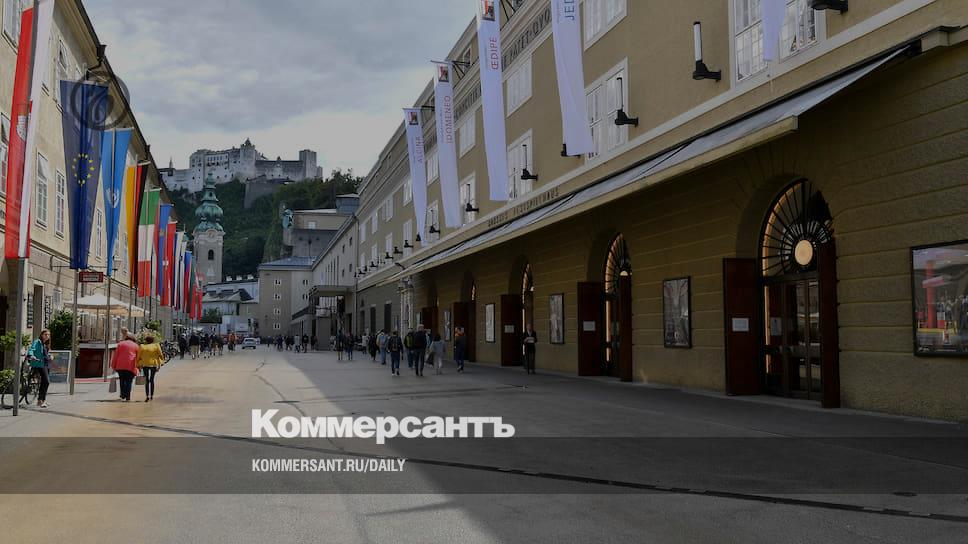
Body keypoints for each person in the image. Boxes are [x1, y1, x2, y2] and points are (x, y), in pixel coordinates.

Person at [26, 330, 52, 408]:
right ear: (41, 335)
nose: (47, 336)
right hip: (39, 364)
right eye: (45, 334)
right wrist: (31, 355)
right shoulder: (37, 342)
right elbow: (32, 349)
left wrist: (50, 355)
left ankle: (42, 400)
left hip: (46, 364)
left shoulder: (45, 344)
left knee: (45, 382)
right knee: (46, 381)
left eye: (48, 335)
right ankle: (40, 400)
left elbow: (45, 353)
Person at [111, 333, 140, 402]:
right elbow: (138, 357)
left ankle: (123, 394)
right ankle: (128, 396)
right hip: (131, 365)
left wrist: (113, 365)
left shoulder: (120, 344)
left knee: (122, 380)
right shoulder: (136, 345)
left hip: (120, 365)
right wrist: (138, 367)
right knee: (129, 381)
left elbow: (116, 355)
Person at [136, 335, 165, 402]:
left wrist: (137, 364)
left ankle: (147, 396)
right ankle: (152, 395)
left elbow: (138, 356)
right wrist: (162, 361)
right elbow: (160, 354)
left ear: (146, 341)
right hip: (153, 364)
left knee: (146, 380)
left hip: (145, 364)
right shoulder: (156, 345)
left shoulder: (142, 346)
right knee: (152, 380)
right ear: (153, 340)